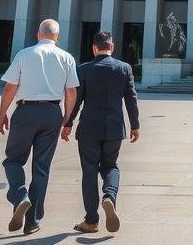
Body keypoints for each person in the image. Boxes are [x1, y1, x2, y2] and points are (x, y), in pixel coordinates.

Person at [0, 18, 79, 236]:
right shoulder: (66, 57)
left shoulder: (24, 54)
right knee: (41, 168)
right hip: (52, 112)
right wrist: (67, 118)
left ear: (37, 34)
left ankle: (19, 195)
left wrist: (2, 114)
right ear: (57, 36)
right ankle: (32, 221)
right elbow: (71, 91)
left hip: (25, 111)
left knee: (13, 160)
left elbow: (10, 87)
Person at [61, 30, 140, 234]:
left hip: (89, 128)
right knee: (111, 166)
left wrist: (67, 123)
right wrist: (135, 125)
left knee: (89, 172)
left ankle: (91, 220)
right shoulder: (124, 68)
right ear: (111, 47)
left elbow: (77, 100)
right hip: (114, 127)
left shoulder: (84, 69)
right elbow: (131, 99)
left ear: (94, 48)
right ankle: (109, 196)